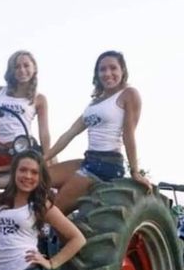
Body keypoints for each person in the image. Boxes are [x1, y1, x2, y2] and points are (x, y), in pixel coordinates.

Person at [45, 50, 153, 214]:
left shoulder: (128, 94)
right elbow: (70, 133)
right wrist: (44, 158)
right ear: (97, 74)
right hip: (89, 160)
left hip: (107, 164)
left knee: (53, 209)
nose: (108, 73)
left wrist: (135, 171)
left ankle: (61, 236)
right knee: (37, 178)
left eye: (113, 68)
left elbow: (128, 134)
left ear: (122, 70)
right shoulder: (95, 102)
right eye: (102, 69)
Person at [0, 50, 51, 187]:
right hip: (2, 150)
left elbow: (44, 132)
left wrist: (47, 157)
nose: (22, 70)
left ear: (34, 68)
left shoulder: (39, 99)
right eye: (17, 67)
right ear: (11, 70)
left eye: (26, 66)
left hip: (23, 148)